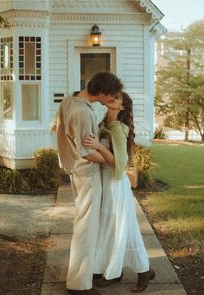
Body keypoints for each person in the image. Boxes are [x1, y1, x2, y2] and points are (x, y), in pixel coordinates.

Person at [56, 72, 123, 295]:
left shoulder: (71, 99)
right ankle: (78, 285)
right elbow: (87, 153)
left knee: (85, 224)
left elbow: (56, 127)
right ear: (101, 93)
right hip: (87, 173)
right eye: (111, 96)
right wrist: (113, 160)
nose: (113, 99)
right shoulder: (82, 112)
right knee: (85, 227)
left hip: (75, 170)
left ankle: (87, 272)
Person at [82, 92, 155, 293]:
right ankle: (112, 269)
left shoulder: (117, 129)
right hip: (104, 180)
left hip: (115, 183)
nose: (112, 98)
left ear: (122, 107)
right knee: (108, 227)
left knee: (125, 227)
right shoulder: (103, 124)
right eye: (111, 96)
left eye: (117, 98)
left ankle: (143, 270)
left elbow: (120, 164)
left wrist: (98, 146)